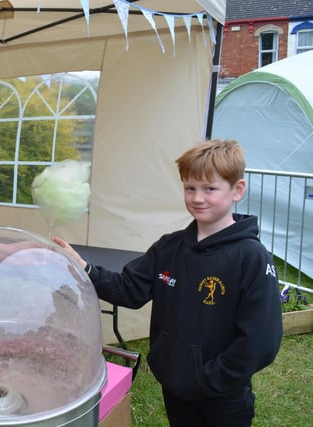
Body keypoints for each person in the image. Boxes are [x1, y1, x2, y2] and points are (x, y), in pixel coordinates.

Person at [53, 139, 283, 427]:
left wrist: (209, 378)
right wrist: (84, 268)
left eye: (209, 188)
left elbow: (261, 340)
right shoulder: (168, 248)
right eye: (190, 188)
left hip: (223, 398)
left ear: (237, 190)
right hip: (175, 387)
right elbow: (129, 289)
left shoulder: (251, 256)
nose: (198, 198)